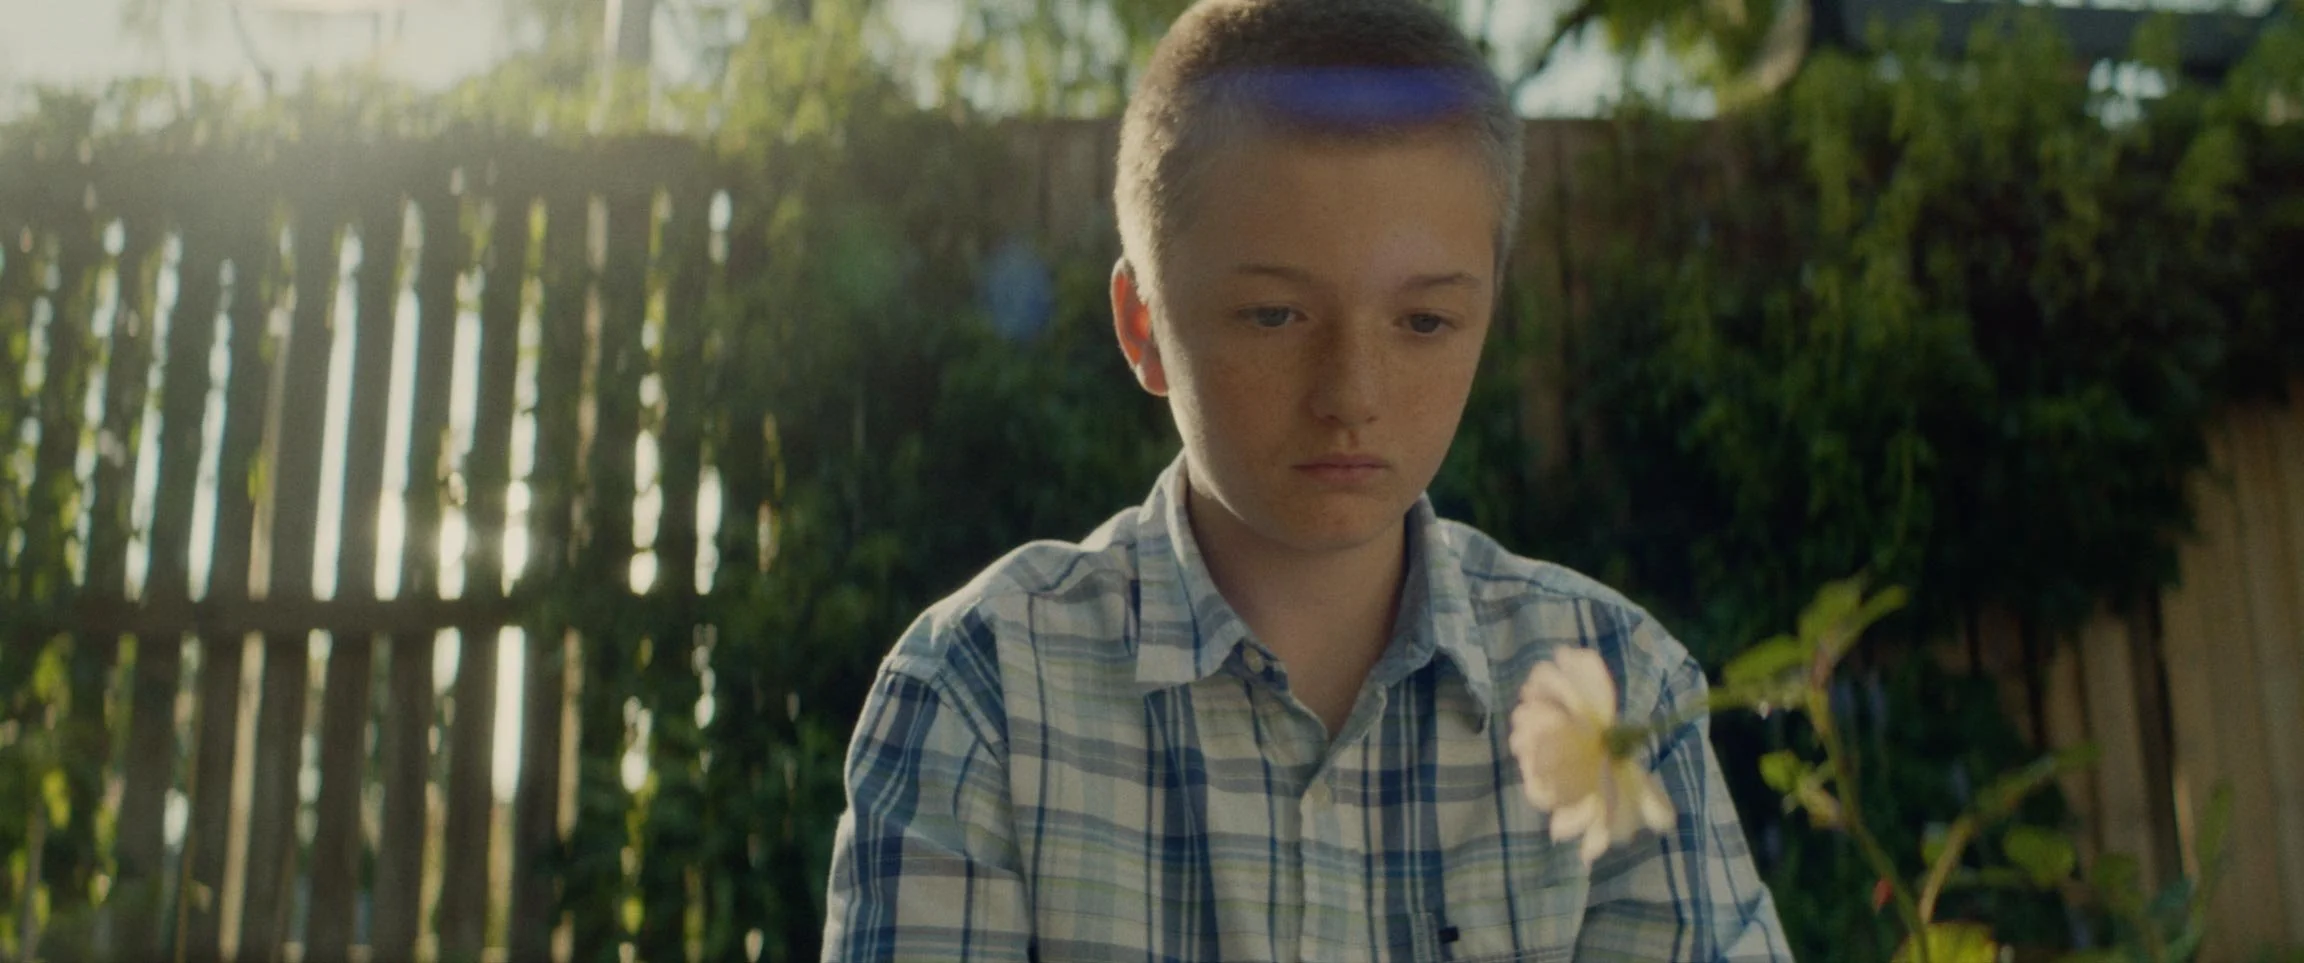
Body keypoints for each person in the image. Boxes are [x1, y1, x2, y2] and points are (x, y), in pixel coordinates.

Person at [820, 0, 1791, 958]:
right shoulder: (985, 694)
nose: (1352, 396)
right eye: (1276, 316)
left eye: (1423, 323)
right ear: (1144, 325)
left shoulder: (1622, 692)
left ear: (1487, 315)